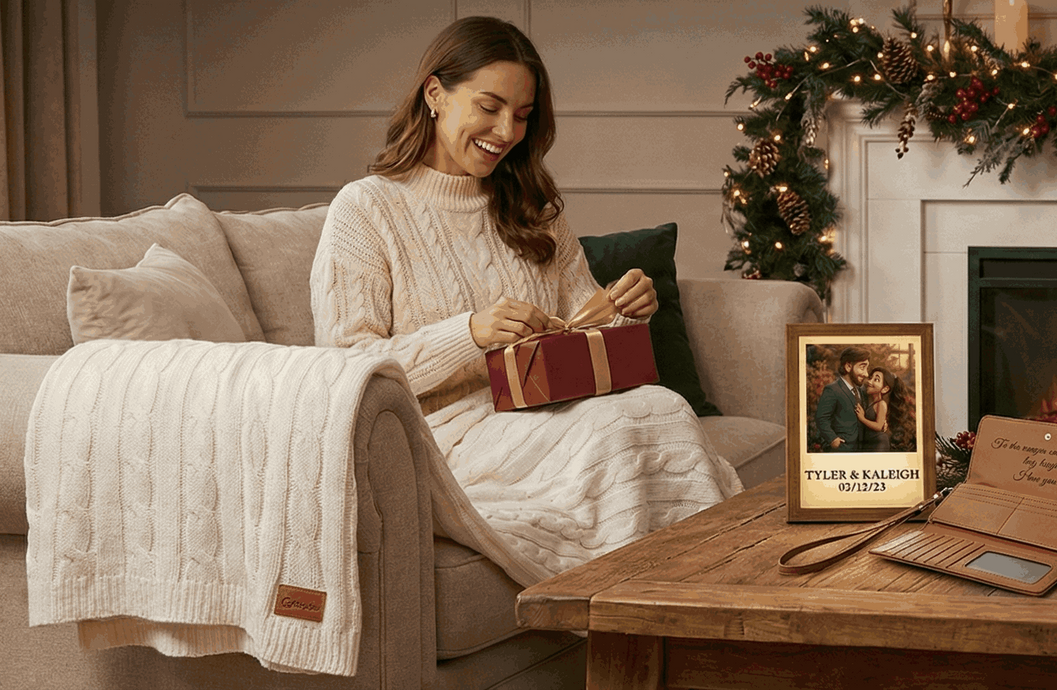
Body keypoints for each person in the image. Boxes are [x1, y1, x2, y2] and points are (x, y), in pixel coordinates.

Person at [310, 16, 742, 582]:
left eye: (522, 115)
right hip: (444, 439)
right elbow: (342, 371)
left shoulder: (533, 205)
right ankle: (639, 606)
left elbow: (586, 333)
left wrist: (620, 310)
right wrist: (468, 333)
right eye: (489, 107)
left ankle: (704, 600)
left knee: (663, 407)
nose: (506, 131)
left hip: (551, 410)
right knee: (612, 433)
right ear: (435, 94)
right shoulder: (366, 210)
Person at [814, 347, 869, 452]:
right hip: (842, 450)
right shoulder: (832, 390)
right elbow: (821, 418)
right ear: (848, 367)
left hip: (859, 450)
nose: (866, 374)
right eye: (862, 368)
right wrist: (833, 439)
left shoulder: (860, 391)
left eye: (867, 369)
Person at [854, 367, 898, 453]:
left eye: (876, 379)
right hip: (870, 442)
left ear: (885, 389)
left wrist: (862, 418)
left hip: (879, 443)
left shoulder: (881, 404)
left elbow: (878, 426)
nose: (870, 382)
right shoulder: (869, 401)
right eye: (870, 378)